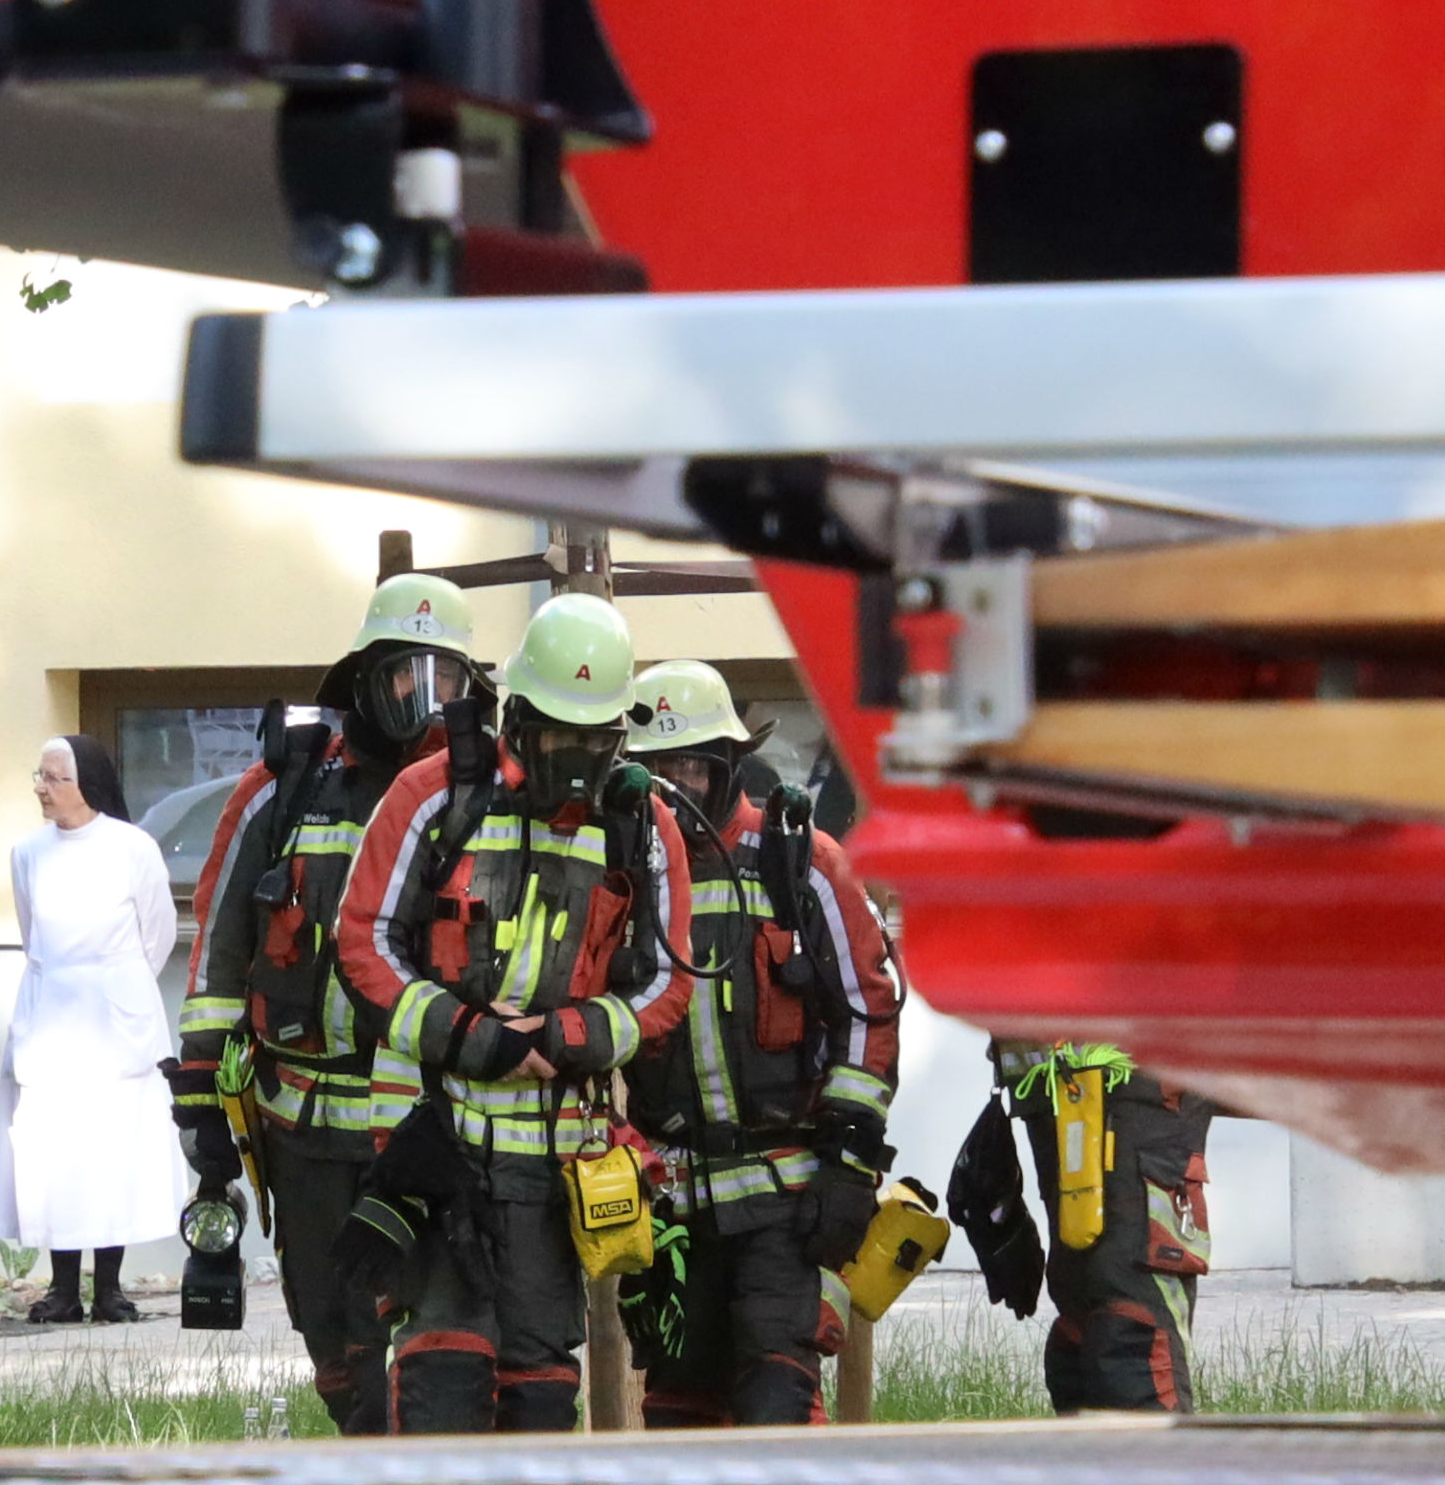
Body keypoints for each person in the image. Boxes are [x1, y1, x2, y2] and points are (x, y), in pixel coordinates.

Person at [334, 594, 693, 1433]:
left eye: (595, 742)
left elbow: (669, 984)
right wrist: (473, 1037)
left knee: (540, 1397)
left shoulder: (643, 826)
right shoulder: (433, 795)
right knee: (442, 1385)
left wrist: (569, 1035)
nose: (578, 763)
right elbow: (362, 943)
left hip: (555, 1166)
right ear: (518, 716)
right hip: (437, 1144)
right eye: (560, 738)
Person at [171, 572, 480, 1431]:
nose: (424, 699)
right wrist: (201, 1099)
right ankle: (366, 1463)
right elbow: (220, 950)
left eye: (446, 678)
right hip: (302, 1127)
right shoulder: (285, 788)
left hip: (430, 1125)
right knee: (335, 1343)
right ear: (364, 678)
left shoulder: (479, 794)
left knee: (432, 1343)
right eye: (404, 674)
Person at [617, 663, 903, 1427]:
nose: (676, 786)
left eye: (692, 765)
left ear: (728, 762)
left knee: (779, 1405)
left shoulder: (802, 863)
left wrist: (849, 1164)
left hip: (787, 1203)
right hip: (673, 1208)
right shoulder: (625, 874)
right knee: (678, 1418)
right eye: (659, 769)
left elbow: (867, 1012)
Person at [0, 734, 188, 1320]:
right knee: (56, 1151)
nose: (41, 789)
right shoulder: (28, 852)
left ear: (87, 785)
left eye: (54, 778)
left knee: (112, 1150)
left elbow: (157, 934)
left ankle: (109, 1288)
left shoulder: (133, 847)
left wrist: (115, 986)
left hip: (116, 1019)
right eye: (40, 776)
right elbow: (31, 930)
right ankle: (62, 1289)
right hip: (50, 1016)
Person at [951, 1035, 1218, 1411]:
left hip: (1126, 1087)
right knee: (1090, 1326)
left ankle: (1144, 1449)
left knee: (1123, 1326)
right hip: (1073, 1084)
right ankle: (1110, 1449)